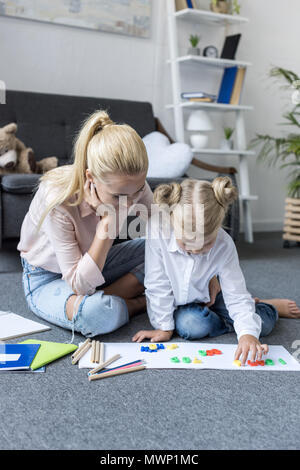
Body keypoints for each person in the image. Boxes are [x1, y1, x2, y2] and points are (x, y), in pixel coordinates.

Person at [17, 110, 153, 338]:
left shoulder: (131, 184)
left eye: (138, 191)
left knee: (163, 248)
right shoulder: (58, 200)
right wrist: (106, 226)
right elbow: (79, 285)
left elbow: (170, 232)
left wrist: (207, 271)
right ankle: (138, 302)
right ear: (91, 178)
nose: (129, 205)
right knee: (95, 314)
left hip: (98, 264)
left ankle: (109, 294)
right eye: (119, 196)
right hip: (49, 278)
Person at [133, 177, 279, 365]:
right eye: (186, 243)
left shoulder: (224, 244)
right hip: (182, 306)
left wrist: (248, 335)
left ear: (218, 228)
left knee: (261, 327)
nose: (194, 251)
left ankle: (267, 307)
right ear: (172, 221)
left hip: (211, 297)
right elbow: (156, 283)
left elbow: (235, 294)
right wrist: (164, 327)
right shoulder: (158, 229)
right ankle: (242, 315)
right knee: (191, 325)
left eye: (206, 244)